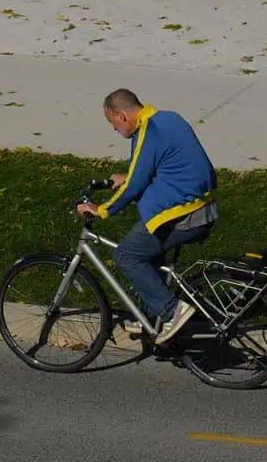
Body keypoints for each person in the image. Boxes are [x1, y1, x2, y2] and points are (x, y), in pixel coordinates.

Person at [76, 89, 219, 344]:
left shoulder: (147, 132)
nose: (115, 130)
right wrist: (121, 179)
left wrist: (103, 209)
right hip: (201, 205)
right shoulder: (168, 118)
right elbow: (155, 166)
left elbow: (134, 186)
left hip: (182, 214)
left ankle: (171, 311)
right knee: (147, 254)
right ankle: (151, 316)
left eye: (112, 123)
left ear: (121, 116)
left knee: (127, 255)